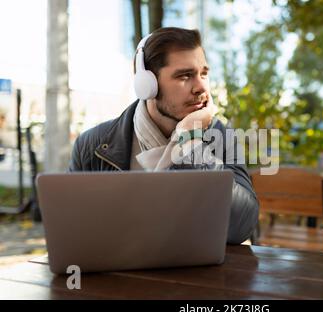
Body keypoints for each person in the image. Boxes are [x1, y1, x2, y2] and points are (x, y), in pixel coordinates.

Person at [69, 27, 259, 244]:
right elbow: (74, 230)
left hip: (199, 275)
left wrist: (190, 142)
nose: (201, 87)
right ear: (147, 85)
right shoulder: (93, 145)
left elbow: (240, 227)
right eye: (185, 76)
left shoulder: (221, 136)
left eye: (203, 73)